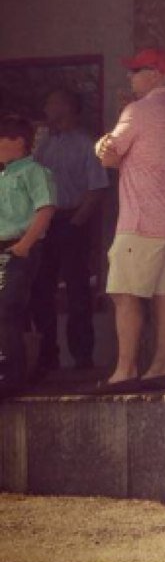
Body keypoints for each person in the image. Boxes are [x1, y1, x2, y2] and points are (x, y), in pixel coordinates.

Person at [95, 48, 165, 391]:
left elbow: (109, 154)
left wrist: (103, 144)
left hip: (141, 218)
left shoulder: (137, 111)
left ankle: (125, 370)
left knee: (125, 293)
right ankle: (160, 368)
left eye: (136, 70)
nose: (130, 76)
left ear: (156, 74)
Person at [30, 88, 109, 374]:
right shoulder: (46, 144)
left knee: (77, 289)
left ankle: (82, 356)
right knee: (41, 288)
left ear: (67, 106)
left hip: (71, 220)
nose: (46, 107)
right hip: (45, 220)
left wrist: (76, 223)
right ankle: (46, 353)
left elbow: (97, 187)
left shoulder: (86, 143)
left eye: (51, 101)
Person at [0, 115, 56, 395]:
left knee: (9, 306)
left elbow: (45, 209)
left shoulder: (34, 171)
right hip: (3, 246)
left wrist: (25, 244)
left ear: (18, 141)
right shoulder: (3, 174)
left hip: (21, 247)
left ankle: (13, 376)